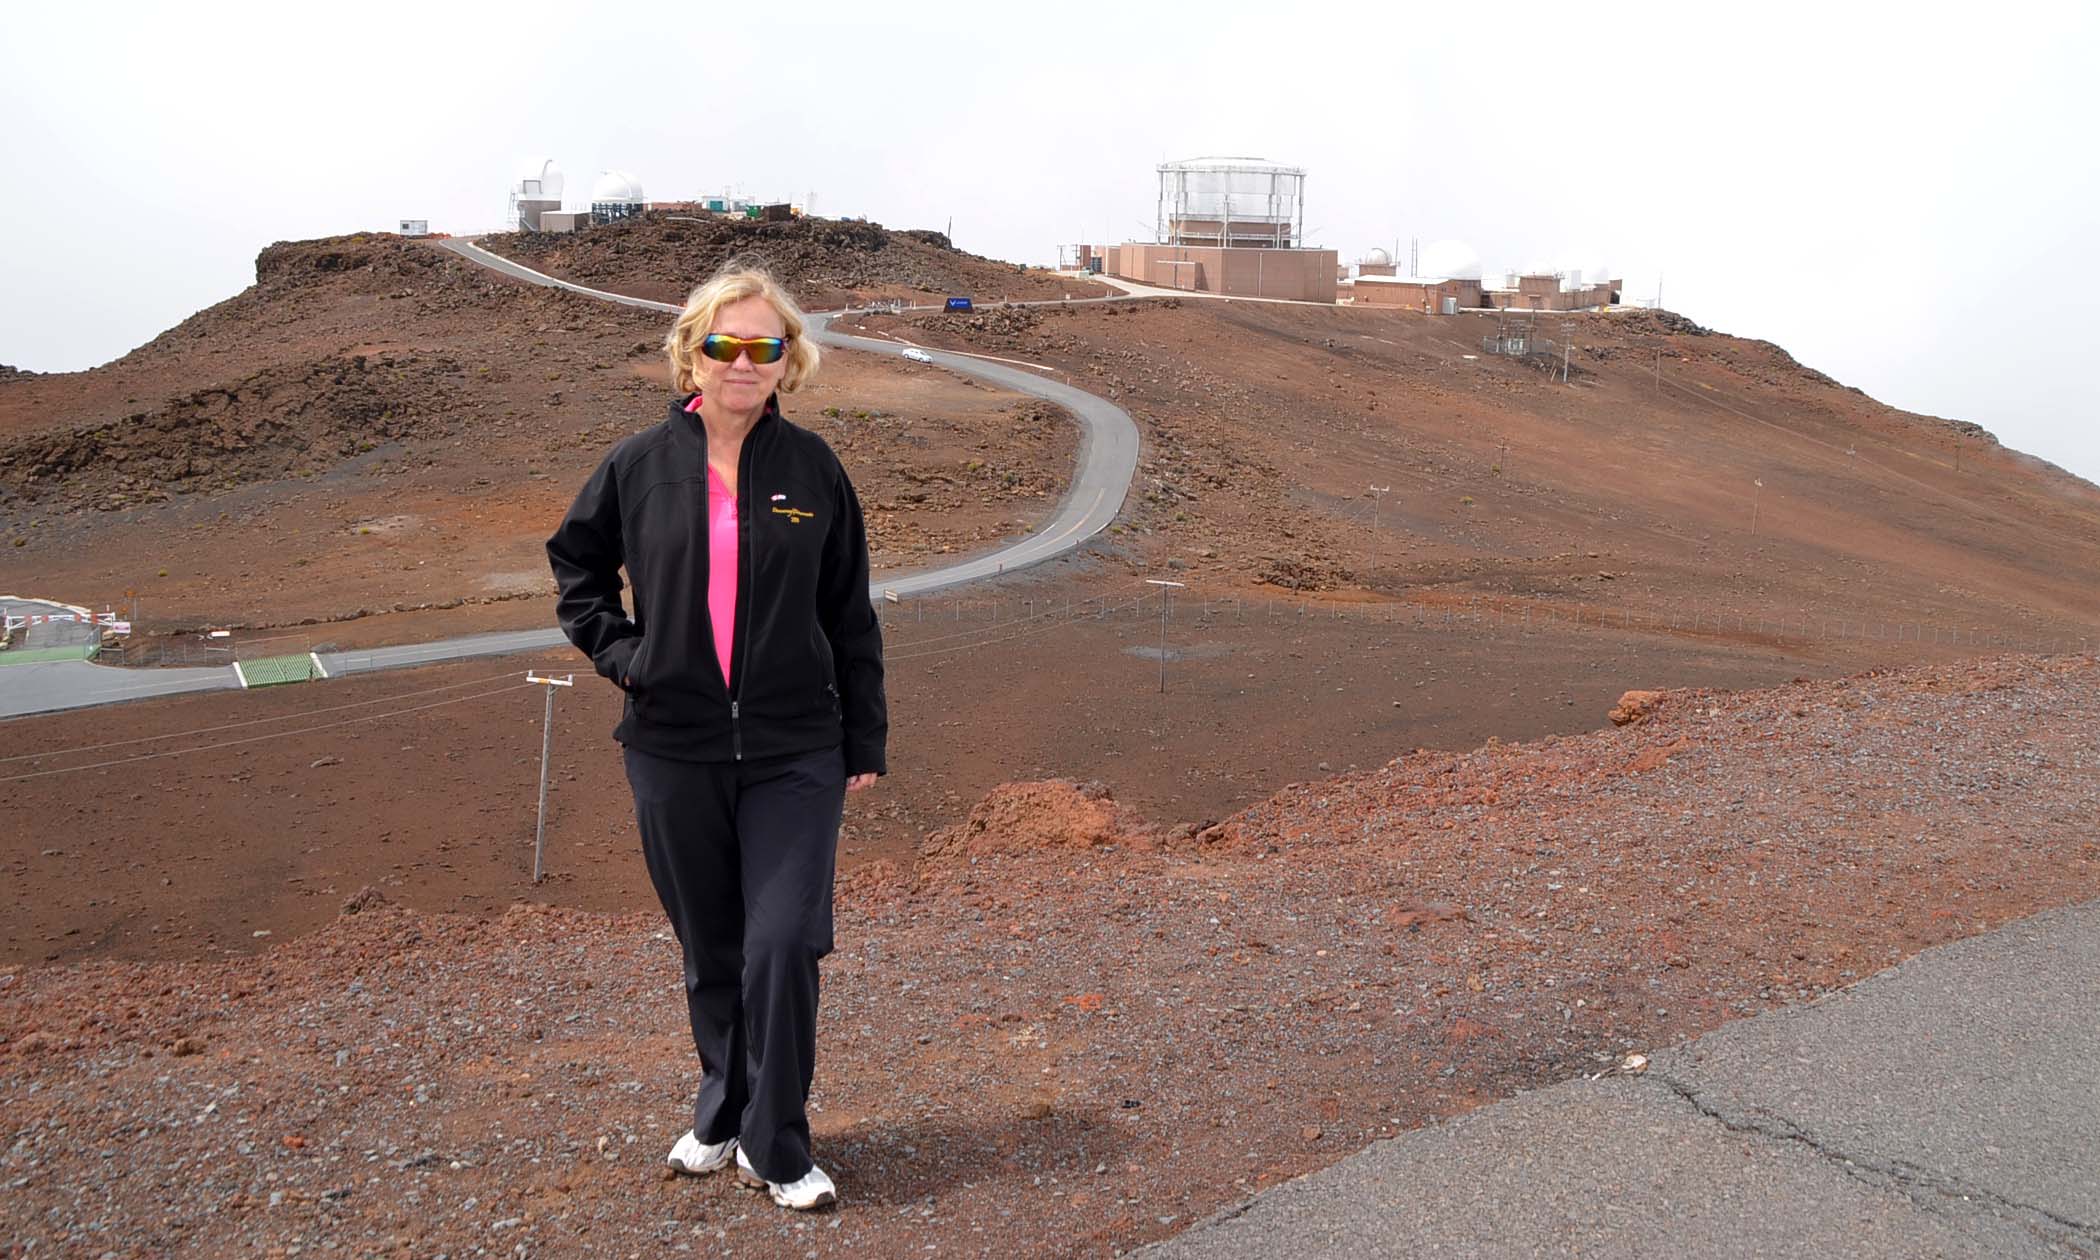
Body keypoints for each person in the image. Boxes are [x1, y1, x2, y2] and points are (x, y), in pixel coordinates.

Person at [546, 263, 886, 1211]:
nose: (745, 362)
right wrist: (629, 659)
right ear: (691, 352)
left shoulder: (812, 468)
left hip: (794, 749)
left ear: (790, 359)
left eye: (766, 346)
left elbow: (849, 608)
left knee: (784, 942)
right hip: (673, 744)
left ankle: (776, 1144)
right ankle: (722, 1108)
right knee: (713, 946)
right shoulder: (638, 467)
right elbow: (575, 568)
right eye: (726, 344)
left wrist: (863, 737)